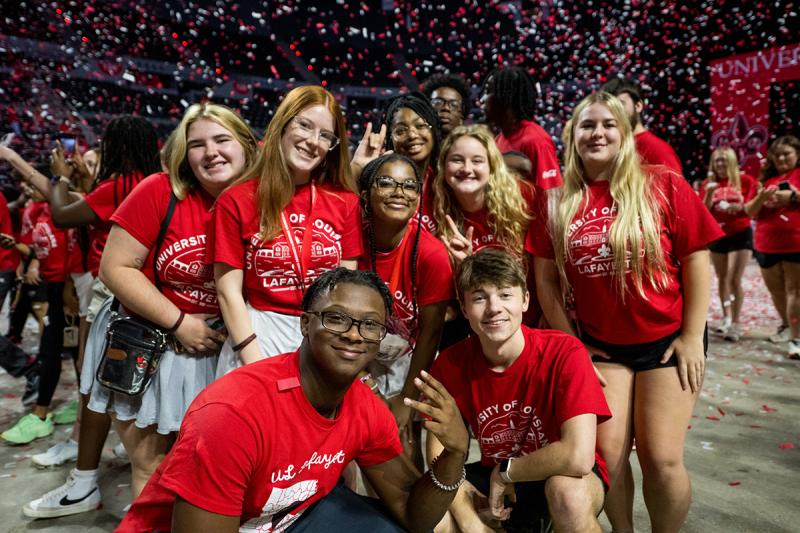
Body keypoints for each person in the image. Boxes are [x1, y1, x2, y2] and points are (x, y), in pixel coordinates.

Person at [23, 106, 255, 518]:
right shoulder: (158, 190)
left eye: (222, 140)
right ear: (184, 153)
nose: (211, 153)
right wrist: (181, 323)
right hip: (159, 345)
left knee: (218, 469)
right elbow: (115, 268)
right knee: (152, 465)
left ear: (246, 146)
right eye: (198, 144)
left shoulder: (265, 200)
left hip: (228, 351)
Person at [117, 268, 469, 533]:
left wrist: (454, 454)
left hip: (284, 519)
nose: (353, 334)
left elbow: (412, 514)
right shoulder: (232, 415)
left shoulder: (364, 407)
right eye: (336, 318)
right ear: (304, 324)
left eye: (370, 325)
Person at [529, 92, 723, 533]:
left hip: (668, 339)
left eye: (607, 124)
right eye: (586, 125)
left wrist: (693, 336)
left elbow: (696, 258)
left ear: (624, 132)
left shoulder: (663, 183)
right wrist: (574, 344)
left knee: (661, 457)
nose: (597, 133)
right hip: (602, 346)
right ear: (571, 136)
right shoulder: (557, 201)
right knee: (608, 455)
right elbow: (545, 283)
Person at [429, 250, 610, 532]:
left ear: (525, 300)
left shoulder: (565, 351)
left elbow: (578, 456)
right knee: (432, 513)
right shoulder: (450, 363)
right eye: (479, 297)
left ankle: (547, 520)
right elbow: (436, 457)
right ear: (464, 309)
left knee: (568, 495)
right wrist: (470, 523)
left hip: (558, 473)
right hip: (493, 475)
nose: (493, 308)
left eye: (505, 295)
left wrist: (506, 473)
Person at [210, 85, 362, 376]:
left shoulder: (345, 202)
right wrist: (255, 363)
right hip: (256, 335)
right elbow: (228, 291)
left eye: (325, 135)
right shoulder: (236, 200)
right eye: (304, 125)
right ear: (283, 123)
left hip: (323, 336)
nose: (312, 141)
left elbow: (347, 288)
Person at [357, 154, 452, 465]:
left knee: (401, 441)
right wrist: (365, 382)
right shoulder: (351, 242)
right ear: (366, 194)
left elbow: (430, 334)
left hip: (407, 358)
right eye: (385, 182)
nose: (399, 192)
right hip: (354, 354)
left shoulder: (432, 253)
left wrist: (406, 401)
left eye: (409, 186)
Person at [0, 185, 74, 444]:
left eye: (34, 185)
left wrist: (70, 293)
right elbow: (38, 249)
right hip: (53, 287)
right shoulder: (39, 211)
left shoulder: (64, 212)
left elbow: (71, 250)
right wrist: (24, 253)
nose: (30, 189)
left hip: (67, 289)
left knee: (60, 350)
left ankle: (43, 413)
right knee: (56, 350)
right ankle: (45, 411)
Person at [744, 135, 800, 358]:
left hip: (795, 242)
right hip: (766, 244)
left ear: (797, 155)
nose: (782, 158)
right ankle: (787, 325)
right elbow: (749, 211)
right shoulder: (765, 181)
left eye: (787, 153)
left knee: (795, 291)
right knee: (777, 292)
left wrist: (793, 196)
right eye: (778, 155)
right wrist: (762, 196)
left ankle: (796, 338)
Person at [700, 147, 758, 341]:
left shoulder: (746, 181)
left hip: (740, 234)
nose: (720, 164)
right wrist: (709, 192)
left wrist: (738, 207)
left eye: (724, 160)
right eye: (717, 161)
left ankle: (735, 323)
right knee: (722, 278)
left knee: (734, 278)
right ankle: (726, 318)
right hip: (717, 235)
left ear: (732, 161)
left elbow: (752, 208)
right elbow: (703, 212)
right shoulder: (709, 183)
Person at [481, 67, 562, 189]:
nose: (482, 99)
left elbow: (551, 195)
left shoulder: (536, 141)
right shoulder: (499, 139)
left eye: (488, 92)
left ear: (505, 96)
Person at [601, 77, 683, 174]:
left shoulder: (658, 150)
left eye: (621, 104)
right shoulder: (611, 146)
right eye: (609, 106)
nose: (615, 111)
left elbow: (675, 188)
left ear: (638, 106)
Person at [421, 72, 471, 136]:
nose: (446, 108)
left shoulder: (471, 144)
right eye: (438, 103)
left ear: (462, 116)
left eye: (453, 105)